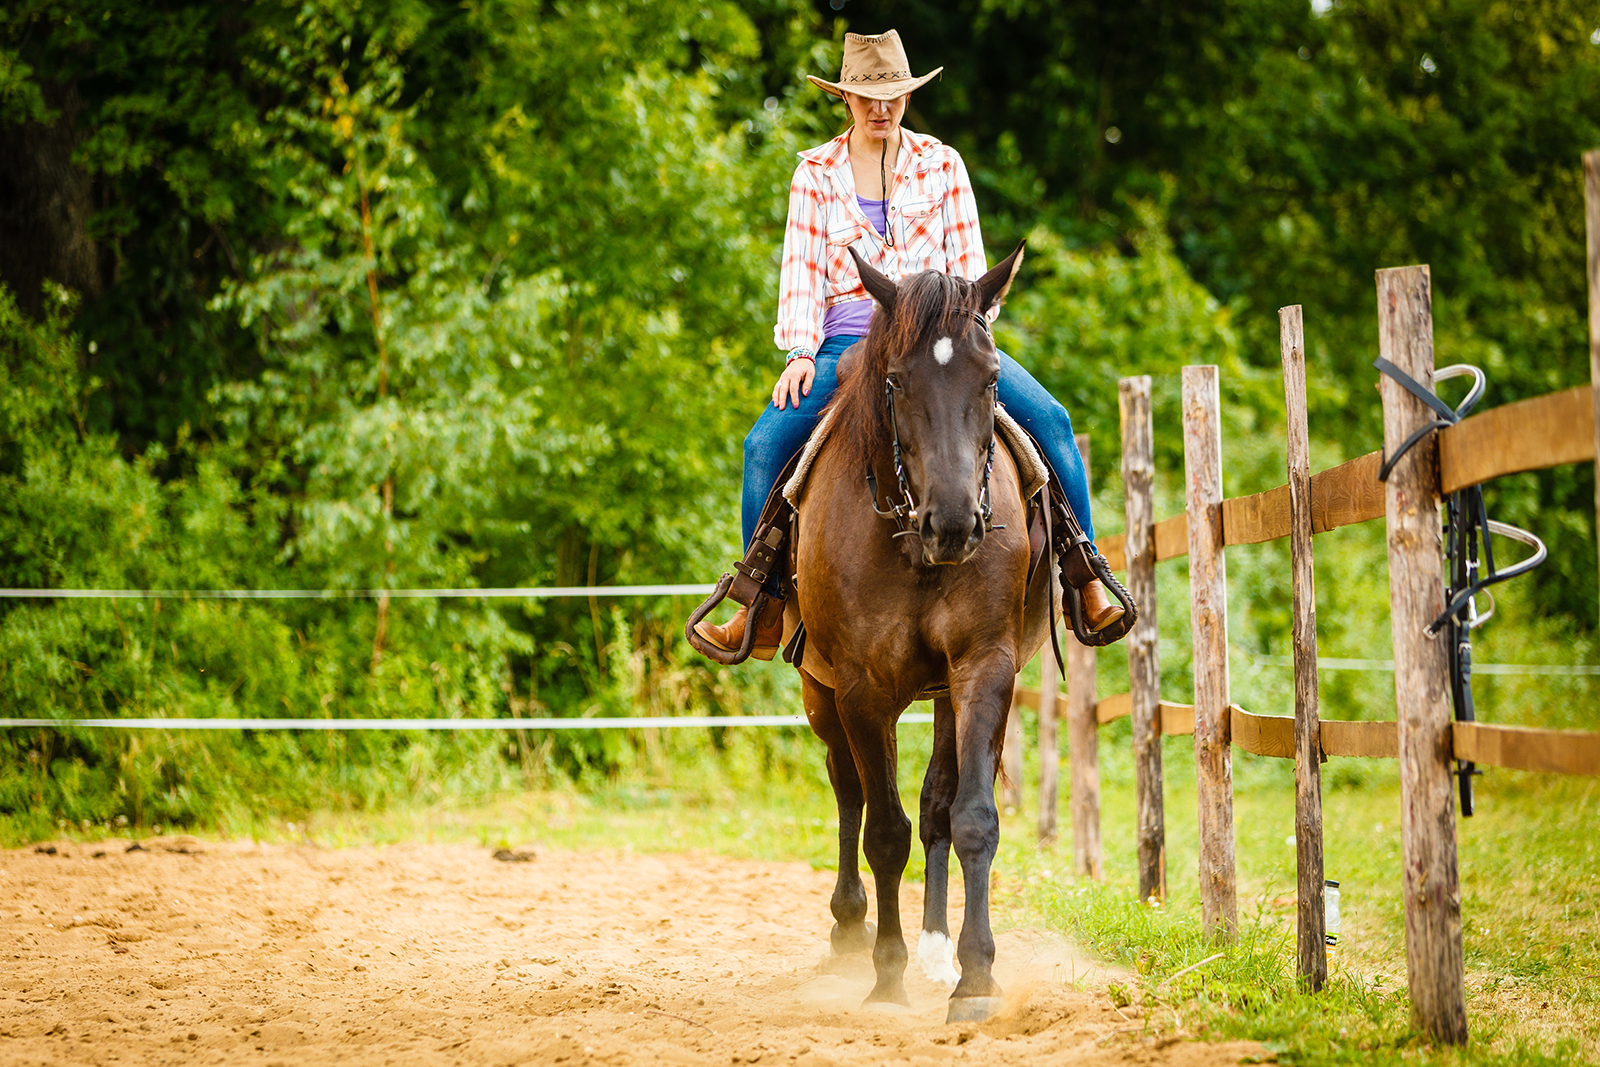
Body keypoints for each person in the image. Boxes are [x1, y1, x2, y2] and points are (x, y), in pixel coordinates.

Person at [697, 29, 1122, 659]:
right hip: (849, 338)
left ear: (906, 96)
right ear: (845, 99)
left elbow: (974, 272)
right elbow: (801, 274)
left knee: (1052, 422)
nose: (881, 108)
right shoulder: (813, 174)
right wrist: (799, 353)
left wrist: (960, 331)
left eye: (892, 94)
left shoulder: (943, 164)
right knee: (763, 445)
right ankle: (760, 604)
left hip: (942, 335)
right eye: (867, 96)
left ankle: (1083, 576)